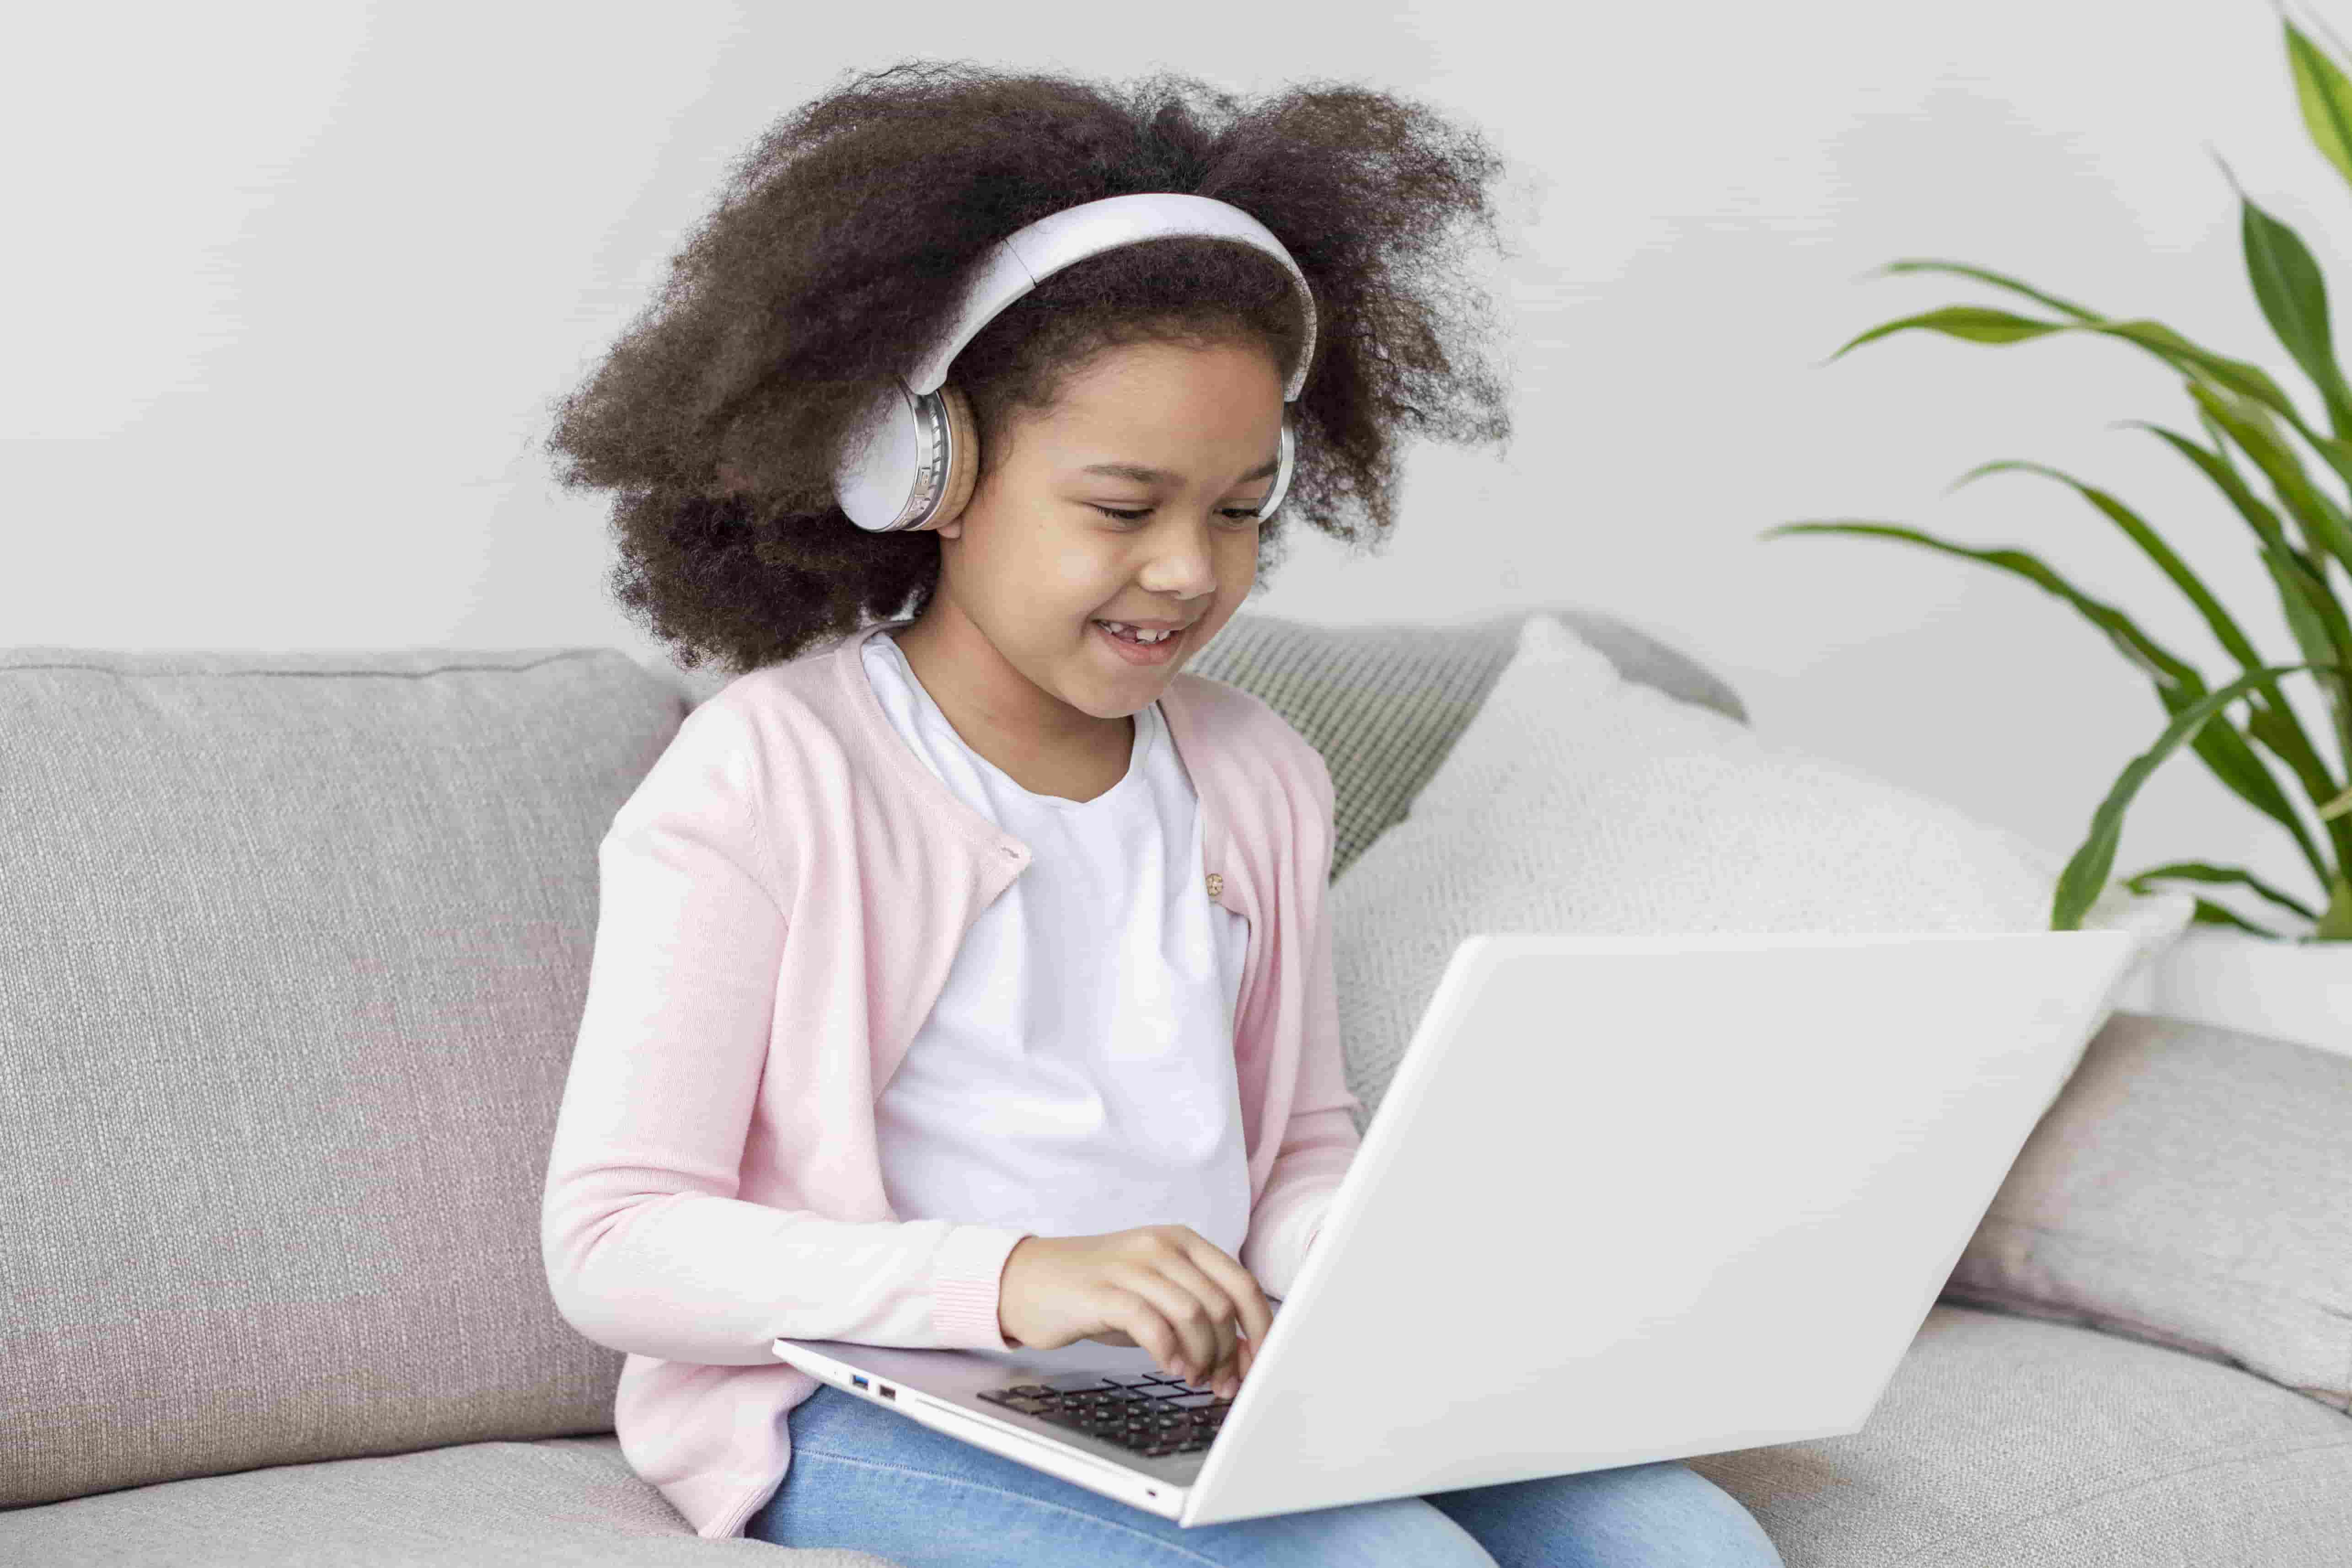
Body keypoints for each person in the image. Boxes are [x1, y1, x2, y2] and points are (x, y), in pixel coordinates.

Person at [537, 57, 1785, 1568]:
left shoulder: (1260, 773)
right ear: (923, 471)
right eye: (1123, 509)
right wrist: (1015, 1279)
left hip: (1193, 1384)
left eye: (1241, 510)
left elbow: (1298, 1146)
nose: (1192, 571)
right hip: (859, 1395)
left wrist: (1364, 1269)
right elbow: (613, 1243)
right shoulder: (771, 769)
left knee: (1692, 1542)